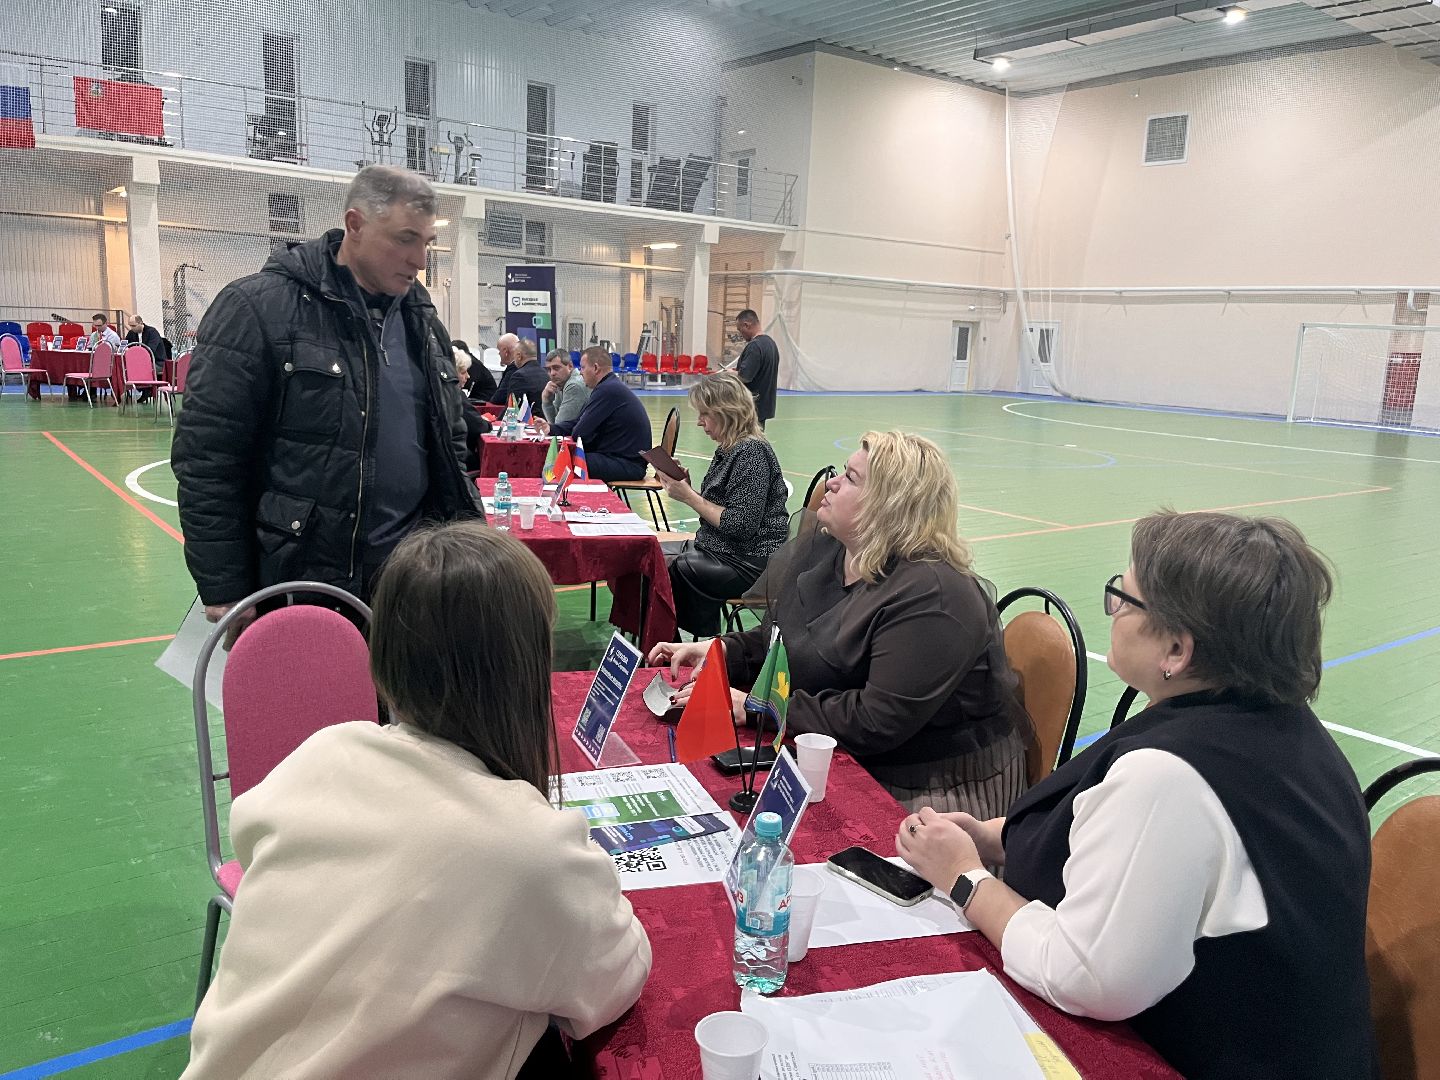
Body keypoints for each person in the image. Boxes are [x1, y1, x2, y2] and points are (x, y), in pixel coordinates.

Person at [893, 512, 1378, 1080]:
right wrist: (991, 837)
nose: (1114, 611)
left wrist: (965, 878)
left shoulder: (1168, 776)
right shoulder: (1280, 730)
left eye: (1124, 599)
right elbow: (1118, 840)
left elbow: (1085, 975)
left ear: (1176, 650)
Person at [181, 523, 653, 1080]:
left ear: (382, 660)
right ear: (525, 673)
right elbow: (618, 974)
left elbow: (254, 842)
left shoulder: (321, 753)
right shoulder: (525, 847)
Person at [172, 164, 482, 643]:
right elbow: (207, 458)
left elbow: (450, 445)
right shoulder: (258, 308)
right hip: (301, 578)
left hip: (409, 581)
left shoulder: (423, 323)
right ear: (355, 224)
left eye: (427, 242)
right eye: (405, 239)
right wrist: (225, 586)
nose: (420, 259)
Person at [651, 431, 1030, 817]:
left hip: (927, 785)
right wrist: (722, 650)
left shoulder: (934, 596)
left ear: (890, 504)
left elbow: (876, 720)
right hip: (835, 744)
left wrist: (759, 706)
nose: (831, 483)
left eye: (850, 478)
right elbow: (783, 638)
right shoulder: (834, 551)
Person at [656, 373, 789, 636]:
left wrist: (690, 497)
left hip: (750, 561)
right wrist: (688, 488)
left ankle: (670, 643)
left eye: (705, 414)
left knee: (670, 569)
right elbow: (722, 508)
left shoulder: (751, 453)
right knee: (649, 554)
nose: (699, 422)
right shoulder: (730, 448)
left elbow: (741, 526)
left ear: (727, 412)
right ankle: (659, 637)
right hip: (723, 547)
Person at [533, 346, 652, 482]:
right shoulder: (607, 387)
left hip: (627, 465)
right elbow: (579, 422)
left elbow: (579, 433)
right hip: (621, 459)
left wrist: (575, 432)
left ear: (595, 368)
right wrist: (551, 428)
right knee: (565, 457)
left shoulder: (607, 390)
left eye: (583, 368)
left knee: (562, 460)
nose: (581, 372)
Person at [732, 308, 778, 428]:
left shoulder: (755, 346)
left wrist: (729, 373)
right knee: (757, 437)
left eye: (740, 329)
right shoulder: (771, 344)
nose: (740, 334)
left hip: (751, 406)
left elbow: (745, 377)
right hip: (763, 405)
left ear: (746, 325)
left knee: (747, 437)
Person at [490, 335, 546, 411]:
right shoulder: (545, 374)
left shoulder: (519, 376)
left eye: (515, 355)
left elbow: (512, 407)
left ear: (519, 356)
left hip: (529, 417)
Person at [125, 314, 170, 402]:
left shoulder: (152, 332)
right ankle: (140, 390)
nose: (132, 328)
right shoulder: (131, 333)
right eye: (130, 326)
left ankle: (146, 391)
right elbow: (126, 345)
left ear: (141, 323)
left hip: (157, 362)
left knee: (139, 369)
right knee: (127, 369)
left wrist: (134, 352)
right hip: (139, 363)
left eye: (133, 325)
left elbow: (150, 350)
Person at [540, 348, 590, 426]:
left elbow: (559, 426)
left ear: (570, 366)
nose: (552, 373)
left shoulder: (574, 386)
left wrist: (553, 427)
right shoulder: (561, 383)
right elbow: (554, 424)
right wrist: (546, 400)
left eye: (556, 368)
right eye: (549, 369)